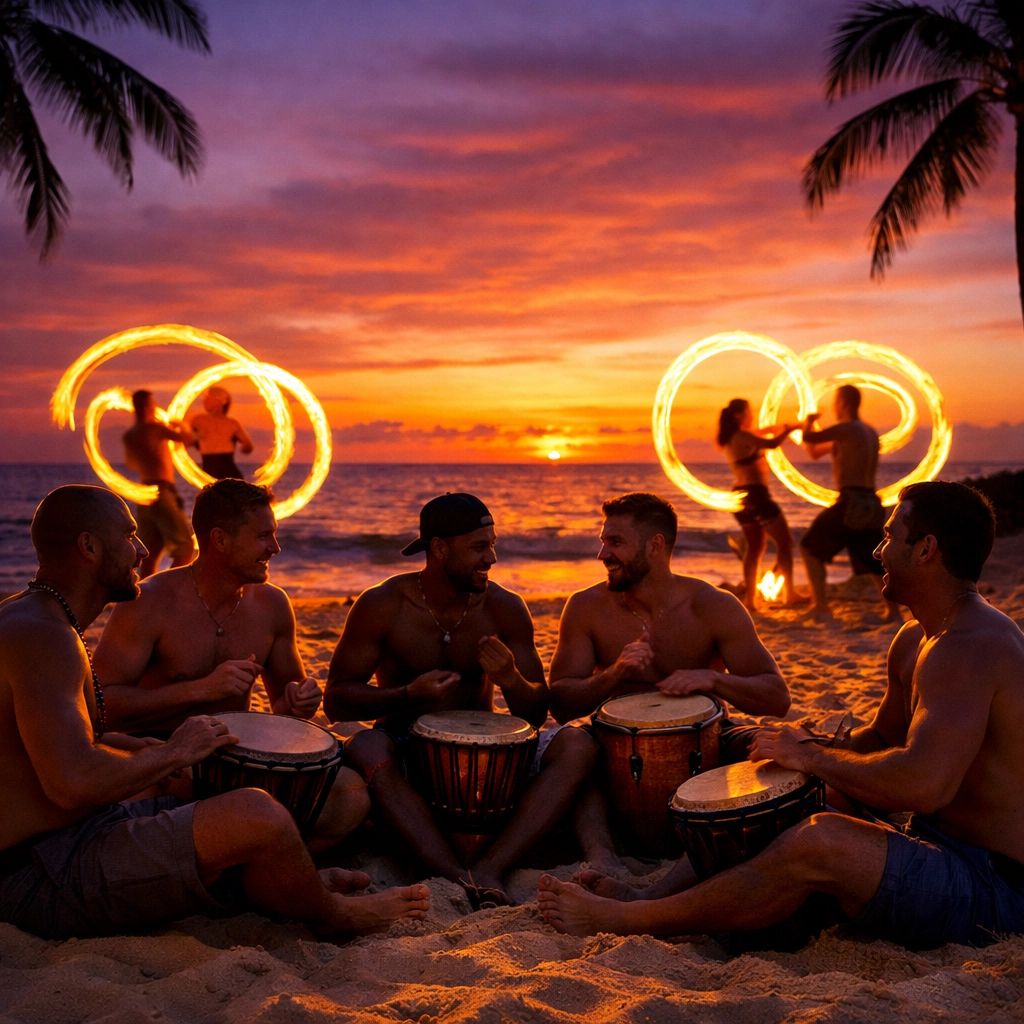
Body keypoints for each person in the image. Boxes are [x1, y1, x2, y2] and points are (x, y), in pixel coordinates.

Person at [538, 482, 1024, 952]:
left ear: (926, 550)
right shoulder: (915, 640)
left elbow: (923, 785)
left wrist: (813, 758)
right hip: (935, 842)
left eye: (890, 536)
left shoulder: (970, 646)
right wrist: (805, 749)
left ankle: (635, 919)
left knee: (823, 840)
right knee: (784, 791)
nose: (877, 550)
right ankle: (651, 895)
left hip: (995, 884)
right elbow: (879, 740)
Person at [0, 485, 429, 940]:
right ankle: (335, 914)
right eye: (129, 535)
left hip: (77, 833)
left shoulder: (36, 620)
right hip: (39, 867)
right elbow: (72, 782)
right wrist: (172, 752)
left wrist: (132, 748)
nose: (144, 549)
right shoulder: (46, 636)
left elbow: (50, 751)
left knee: (269, 812)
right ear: (88, 547)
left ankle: (290, 886)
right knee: (255, 815)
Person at [324, 493, 597, 907]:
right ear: (438, 548)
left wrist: (510, 679)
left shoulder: (505, 608)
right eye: (478, 547)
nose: (491, 558)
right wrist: (405, 695)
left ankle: (492, 867)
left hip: (493, 761)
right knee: (365, 745)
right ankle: (451, 872)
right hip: (406, 752)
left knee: (577, 744)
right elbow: (337, 701)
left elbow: (538, 712)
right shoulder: (383, 605)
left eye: (493, 544)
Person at [93, 478, 370, 854]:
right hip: (161, 756)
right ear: (219, 540)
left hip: (237, 757)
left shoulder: (272, 605)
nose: (275, 547)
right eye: (263, 536)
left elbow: (285, 712)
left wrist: (299, 702)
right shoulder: (149, 602)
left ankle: (256, 866)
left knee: (351, 797)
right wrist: (200, 689)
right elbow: (100, 706)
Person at [549, 492, 790, 886]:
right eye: (602, 541)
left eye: (615, 542)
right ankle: (601, 853)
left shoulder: (713, 606)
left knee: (769, 752)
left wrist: (713, 679)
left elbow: (777, 697)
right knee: (578, 746)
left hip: (705, 739)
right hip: (612, 746)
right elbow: (560, 704)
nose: (602, 554)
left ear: (655, 546)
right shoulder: (586, 607)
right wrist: (613, 674)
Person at [799, 384, 900, 622]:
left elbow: (807, 438)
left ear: (843, 402)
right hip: (872, 502)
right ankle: (893, 612)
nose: (834, 406)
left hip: (851, 501)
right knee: (871, 558)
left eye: (836, 401)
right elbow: (814, 452)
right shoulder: (867, 432)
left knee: (808, 547)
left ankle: (821, 607)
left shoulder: (847, 428)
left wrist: (808, 420)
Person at [717, 398, 802, 609]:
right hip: (756, 495)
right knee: (785, 542)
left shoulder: (734, 437)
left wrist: (791, 425)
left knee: (755, 547)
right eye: (749, 411)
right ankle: (789, 594)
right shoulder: (743, 436)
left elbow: (766, 431)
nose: (752, 414)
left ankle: (750, 601)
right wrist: (787, 432)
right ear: (739, 415)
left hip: (741, 497)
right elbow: (772, 443)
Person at [123, 389, 196, 578]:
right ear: (148, 407)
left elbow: (131, 463)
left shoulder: (130, 435)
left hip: (144, 497)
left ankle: (145, 600)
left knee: (150, 554)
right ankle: (168, 591)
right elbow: (188, 439)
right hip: (162, 492)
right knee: (185, 548)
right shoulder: (156, 428)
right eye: (154, 404)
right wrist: (180, 424)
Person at [190, 386, 253, 480]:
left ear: (220, 401)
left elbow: (248, 446)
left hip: (229, 474)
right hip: (209, 474)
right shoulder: (197, 421)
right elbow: (186, 437)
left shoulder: (232, 423)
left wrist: (244, 447)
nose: (204, 401)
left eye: (207, 398)